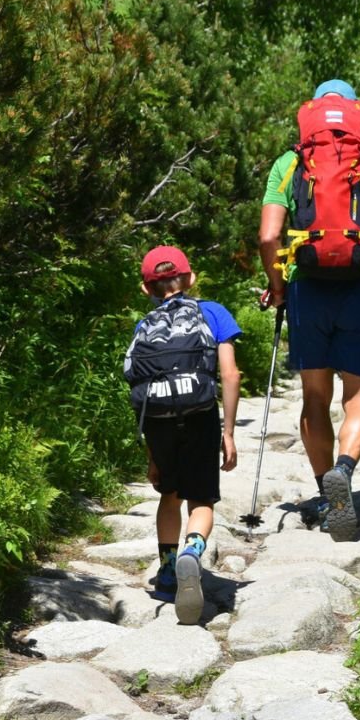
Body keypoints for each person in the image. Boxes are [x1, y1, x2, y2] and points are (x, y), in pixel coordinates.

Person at [258, 79, 360, 542]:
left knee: (313, 399)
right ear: (355, 113)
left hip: (308, 291)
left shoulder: (291, 162)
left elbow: (269, 238)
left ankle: (327, 498)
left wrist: (278, 287)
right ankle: (344, 472)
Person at [125, 245, 241, 624]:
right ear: (190, 278)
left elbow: (139, 389)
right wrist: (228, 432)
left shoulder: (144, 325)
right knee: (201, 499)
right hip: (200, 415)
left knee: (169, 495)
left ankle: (169, 571)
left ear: (147, 289)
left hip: (157, 421)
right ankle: (192, 551)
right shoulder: (213, 313)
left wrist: (152, 458)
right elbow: (229, 374)